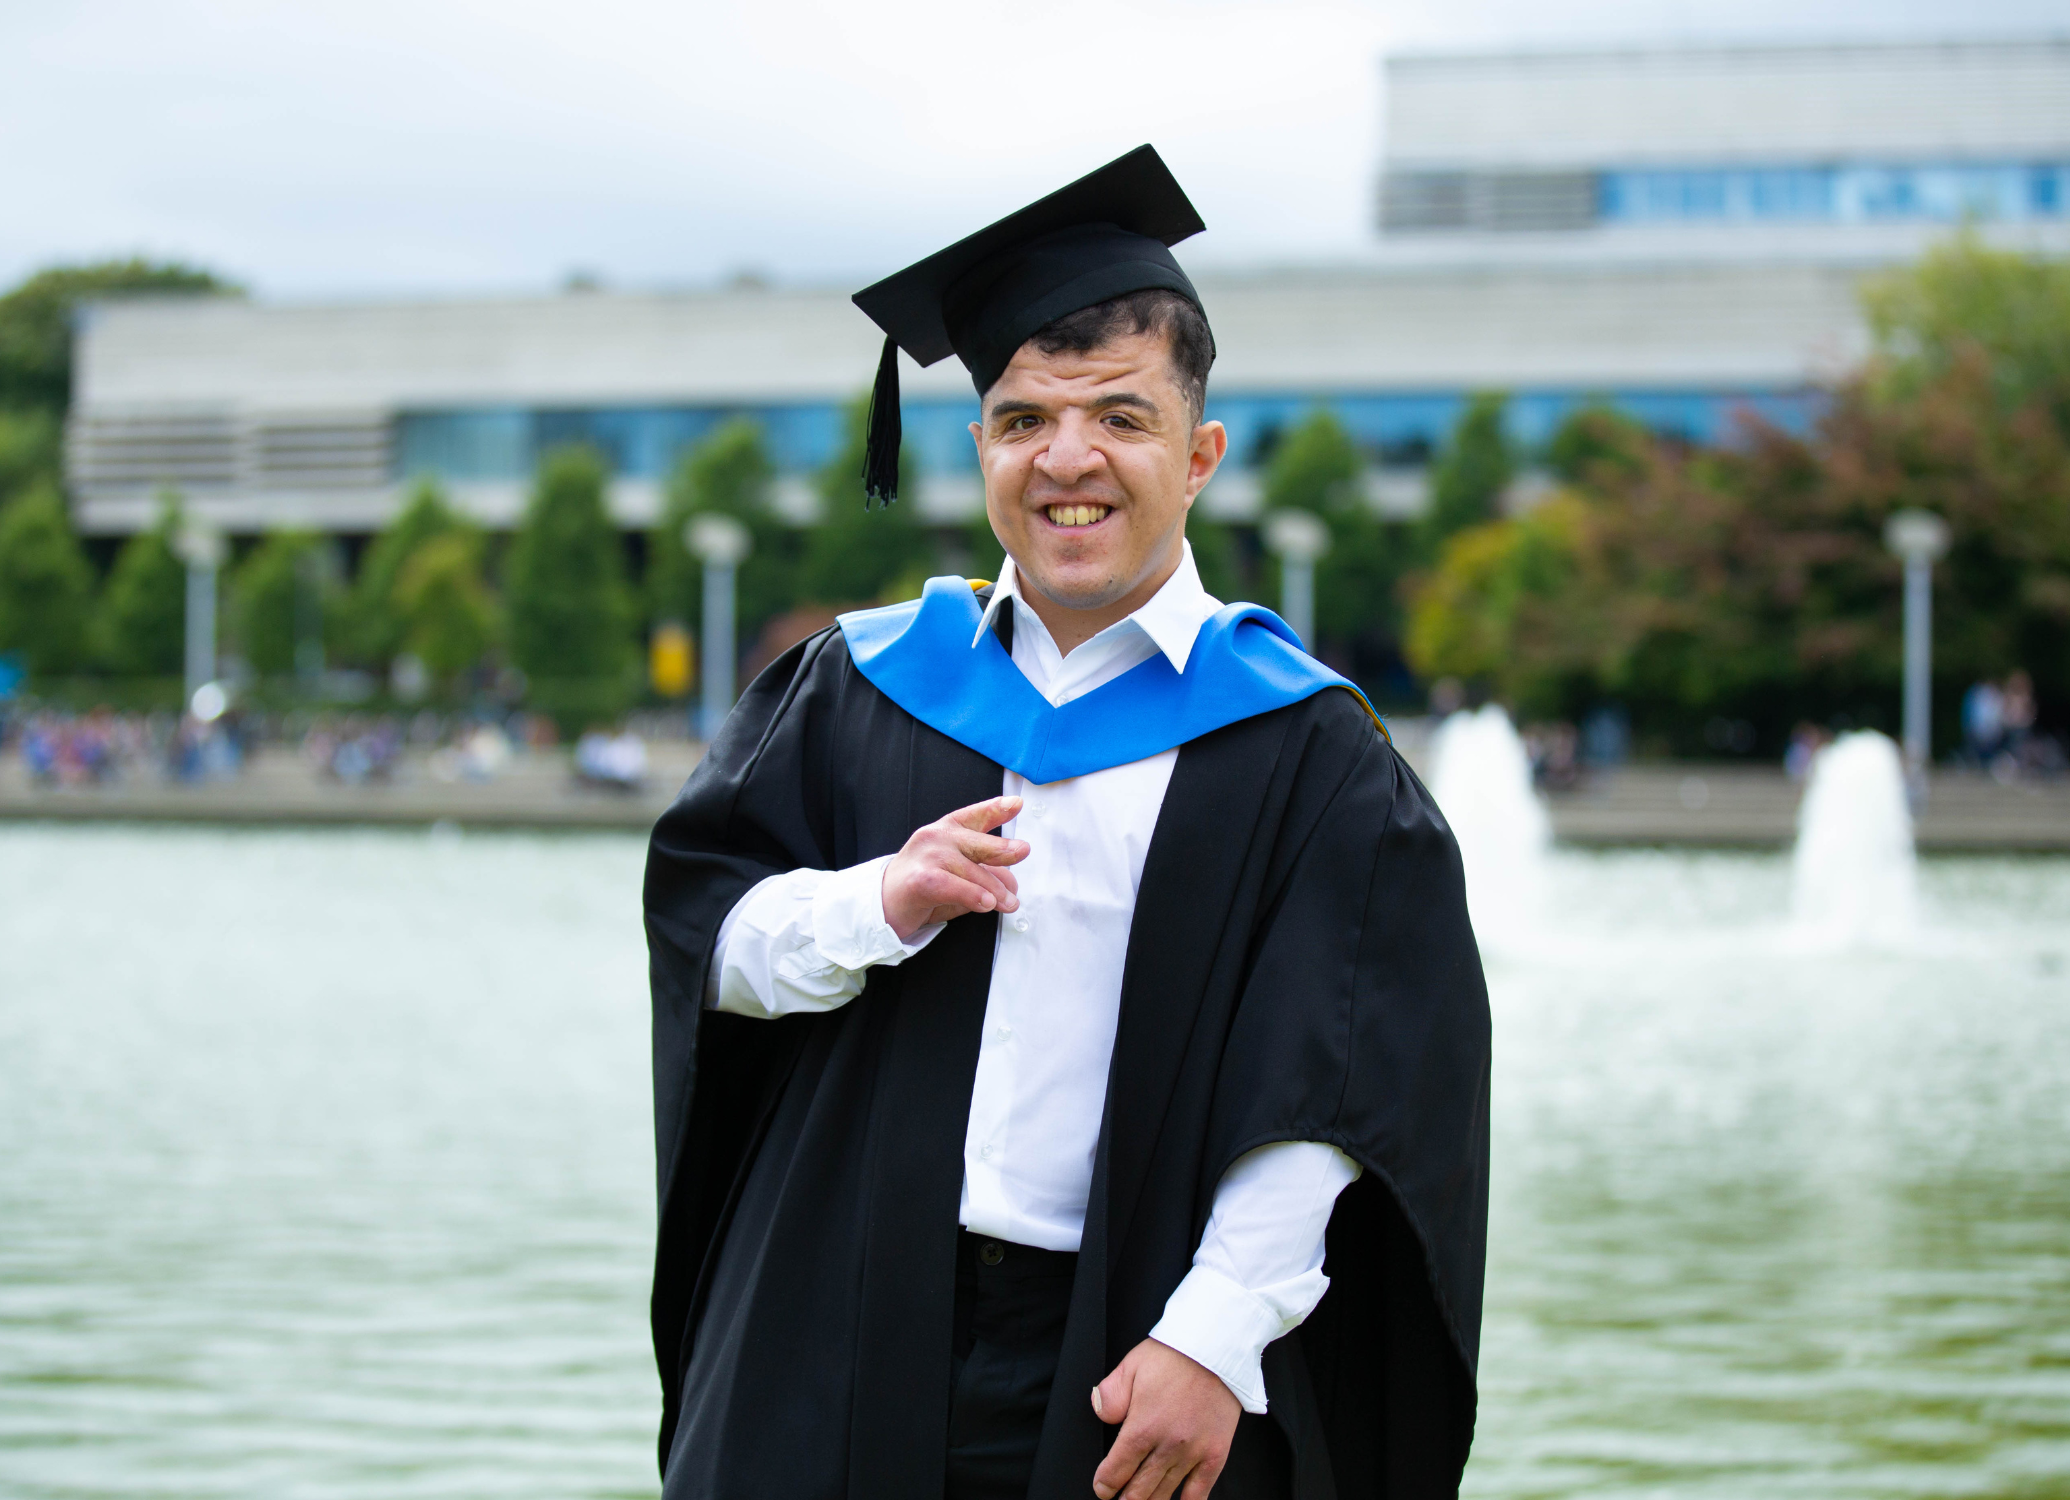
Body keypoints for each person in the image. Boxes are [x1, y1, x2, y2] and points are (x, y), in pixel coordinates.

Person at [643, 147, 1490, 1500]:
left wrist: (1215, 1338)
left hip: (1129, 1347)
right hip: (833, 1314)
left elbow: (1342, 1082)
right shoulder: (851, 684)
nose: (1068, 460)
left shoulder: (1298, 746)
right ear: (980, 445)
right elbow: (708, 949)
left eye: (1119, 416)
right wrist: (876, 903)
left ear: (1199, 454)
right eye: (1024, 418)